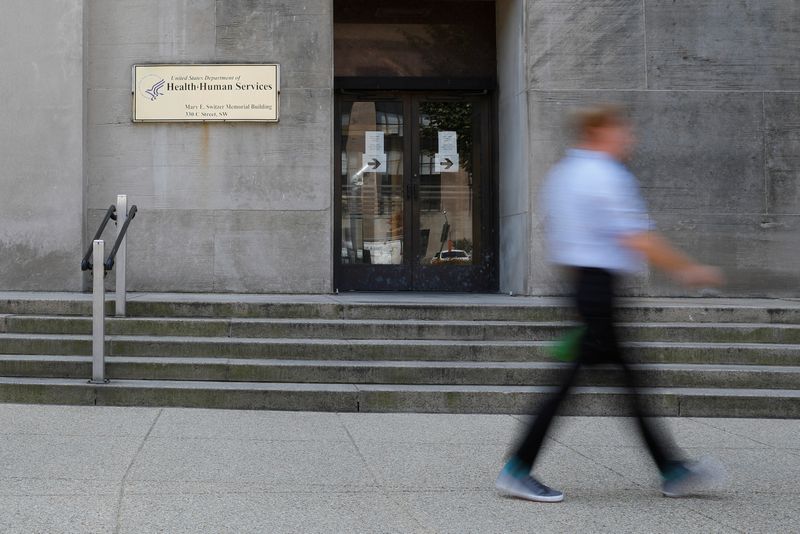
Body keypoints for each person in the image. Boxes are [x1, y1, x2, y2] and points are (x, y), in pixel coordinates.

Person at [496, 104, 726, 502]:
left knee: (629, 382)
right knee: (573, 386)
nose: (629, 139)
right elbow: (637, 235)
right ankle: (518, 467)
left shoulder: (563, 175)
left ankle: (671, 469)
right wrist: (688, 269)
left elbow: (562, 238)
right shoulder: (604, 174)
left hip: (585, 289)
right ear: (599, 131)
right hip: (598, 292)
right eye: (624, 131)